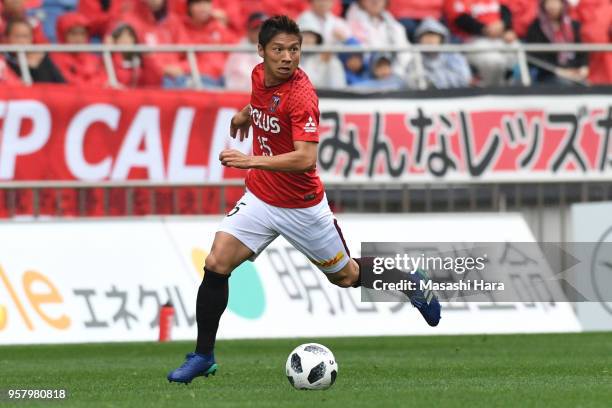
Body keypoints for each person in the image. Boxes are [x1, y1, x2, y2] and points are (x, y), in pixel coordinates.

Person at [166, 15, 441, 385]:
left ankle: (409, 280)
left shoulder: (302, 96)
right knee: (216, 264)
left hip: (302, 206)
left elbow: (305, 158)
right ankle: (203, 356)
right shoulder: (257, 75)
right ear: (261, 51)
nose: (287, 57)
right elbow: (263, 102)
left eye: (294, 50)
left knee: (347, 276)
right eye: (278, 49)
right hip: (261, 197)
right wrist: (246, 113)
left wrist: (249, 160)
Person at [444, 0, 518, 86]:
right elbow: (460, 20)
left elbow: (505, 11)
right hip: (471, 40)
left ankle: (506, 87)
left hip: (499, 36)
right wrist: (486, 30)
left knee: (516, 47)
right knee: (494, 61)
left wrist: (506, 27)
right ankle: (489, 90)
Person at [345, 0, 413, 80]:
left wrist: (394, 73)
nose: (375, 1)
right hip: (364, 78)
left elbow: (405, 56)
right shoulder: (348, 26)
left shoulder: (396, 27)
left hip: (396, 78)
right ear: (361, 2)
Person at [526, 0, 589, 85]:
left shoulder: (574, 26)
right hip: (548, 74)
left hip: (574, 71)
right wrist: (557, 70)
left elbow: (582, 51)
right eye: (549, 2)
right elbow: (535, 56)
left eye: (556, 2)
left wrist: (583, 67)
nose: (552, 6)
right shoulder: (536, 27)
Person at [406, 18, 472, 89]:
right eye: (426, 36)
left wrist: (433, 80)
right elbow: (410, 82)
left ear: (441, 39)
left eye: (433, 36)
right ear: (419, 39)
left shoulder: (454, 56)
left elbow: (464, 79)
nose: (430, 40)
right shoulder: (414, 58)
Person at [52, 12, 107, 86]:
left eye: (82, 34)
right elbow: (68, 81)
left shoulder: (94, 59)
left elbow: (103, 79)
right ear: (63, 35)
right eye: (73, 34)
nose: (79, 39)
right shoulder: (55, 60)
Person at [4, 17, 65, 83]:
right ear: (6, 38)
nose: (21, 41)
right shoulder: (4, 61)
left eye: (25, 36)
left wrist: (35, 66)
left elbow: (60, 83)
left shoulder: (42, 58)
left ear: (31, 38)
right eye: (17, 36)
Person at [223, 12, 267, 91]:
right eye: (256, 28)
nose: (260, 32)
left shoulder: (276, 49)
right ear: (248, 30)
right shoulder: (239, 52)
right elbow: (236, 84)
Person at [299, 21, 346, 89]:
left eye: (311, 36)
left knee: (334, 63)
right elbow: (308, 85)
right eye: (304, 35)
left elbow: (339, 86)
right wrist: (323, 64)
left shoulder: (330, 60)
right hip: (301, 97)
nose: (307, 39)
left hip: (328, 97)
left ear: (317, 39)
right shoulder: (290, 59)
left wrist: (324, 62)